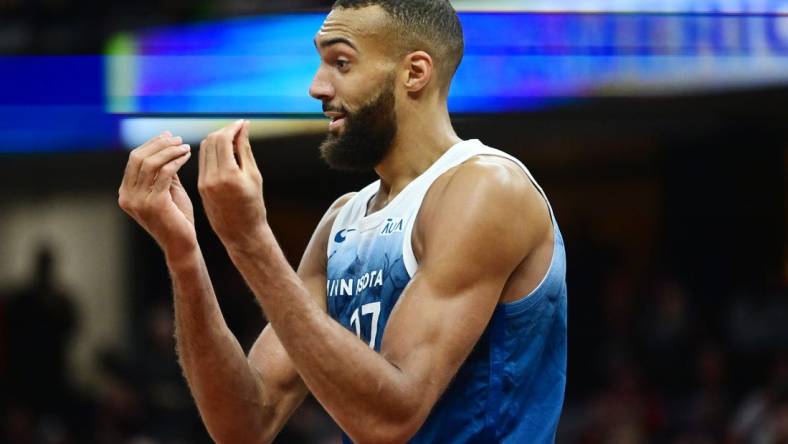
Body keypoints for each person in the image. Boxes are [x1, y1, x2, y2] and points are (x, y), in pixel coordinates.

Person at [118, 0, 567, 442]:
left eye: (342, 63)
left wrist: (249, 241)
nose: (317, 86)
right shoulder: (342, 220)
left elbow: (391, 419)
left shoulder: (486, 187)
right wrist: (184, 255)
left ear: (414, 72)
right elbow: (245, 424)